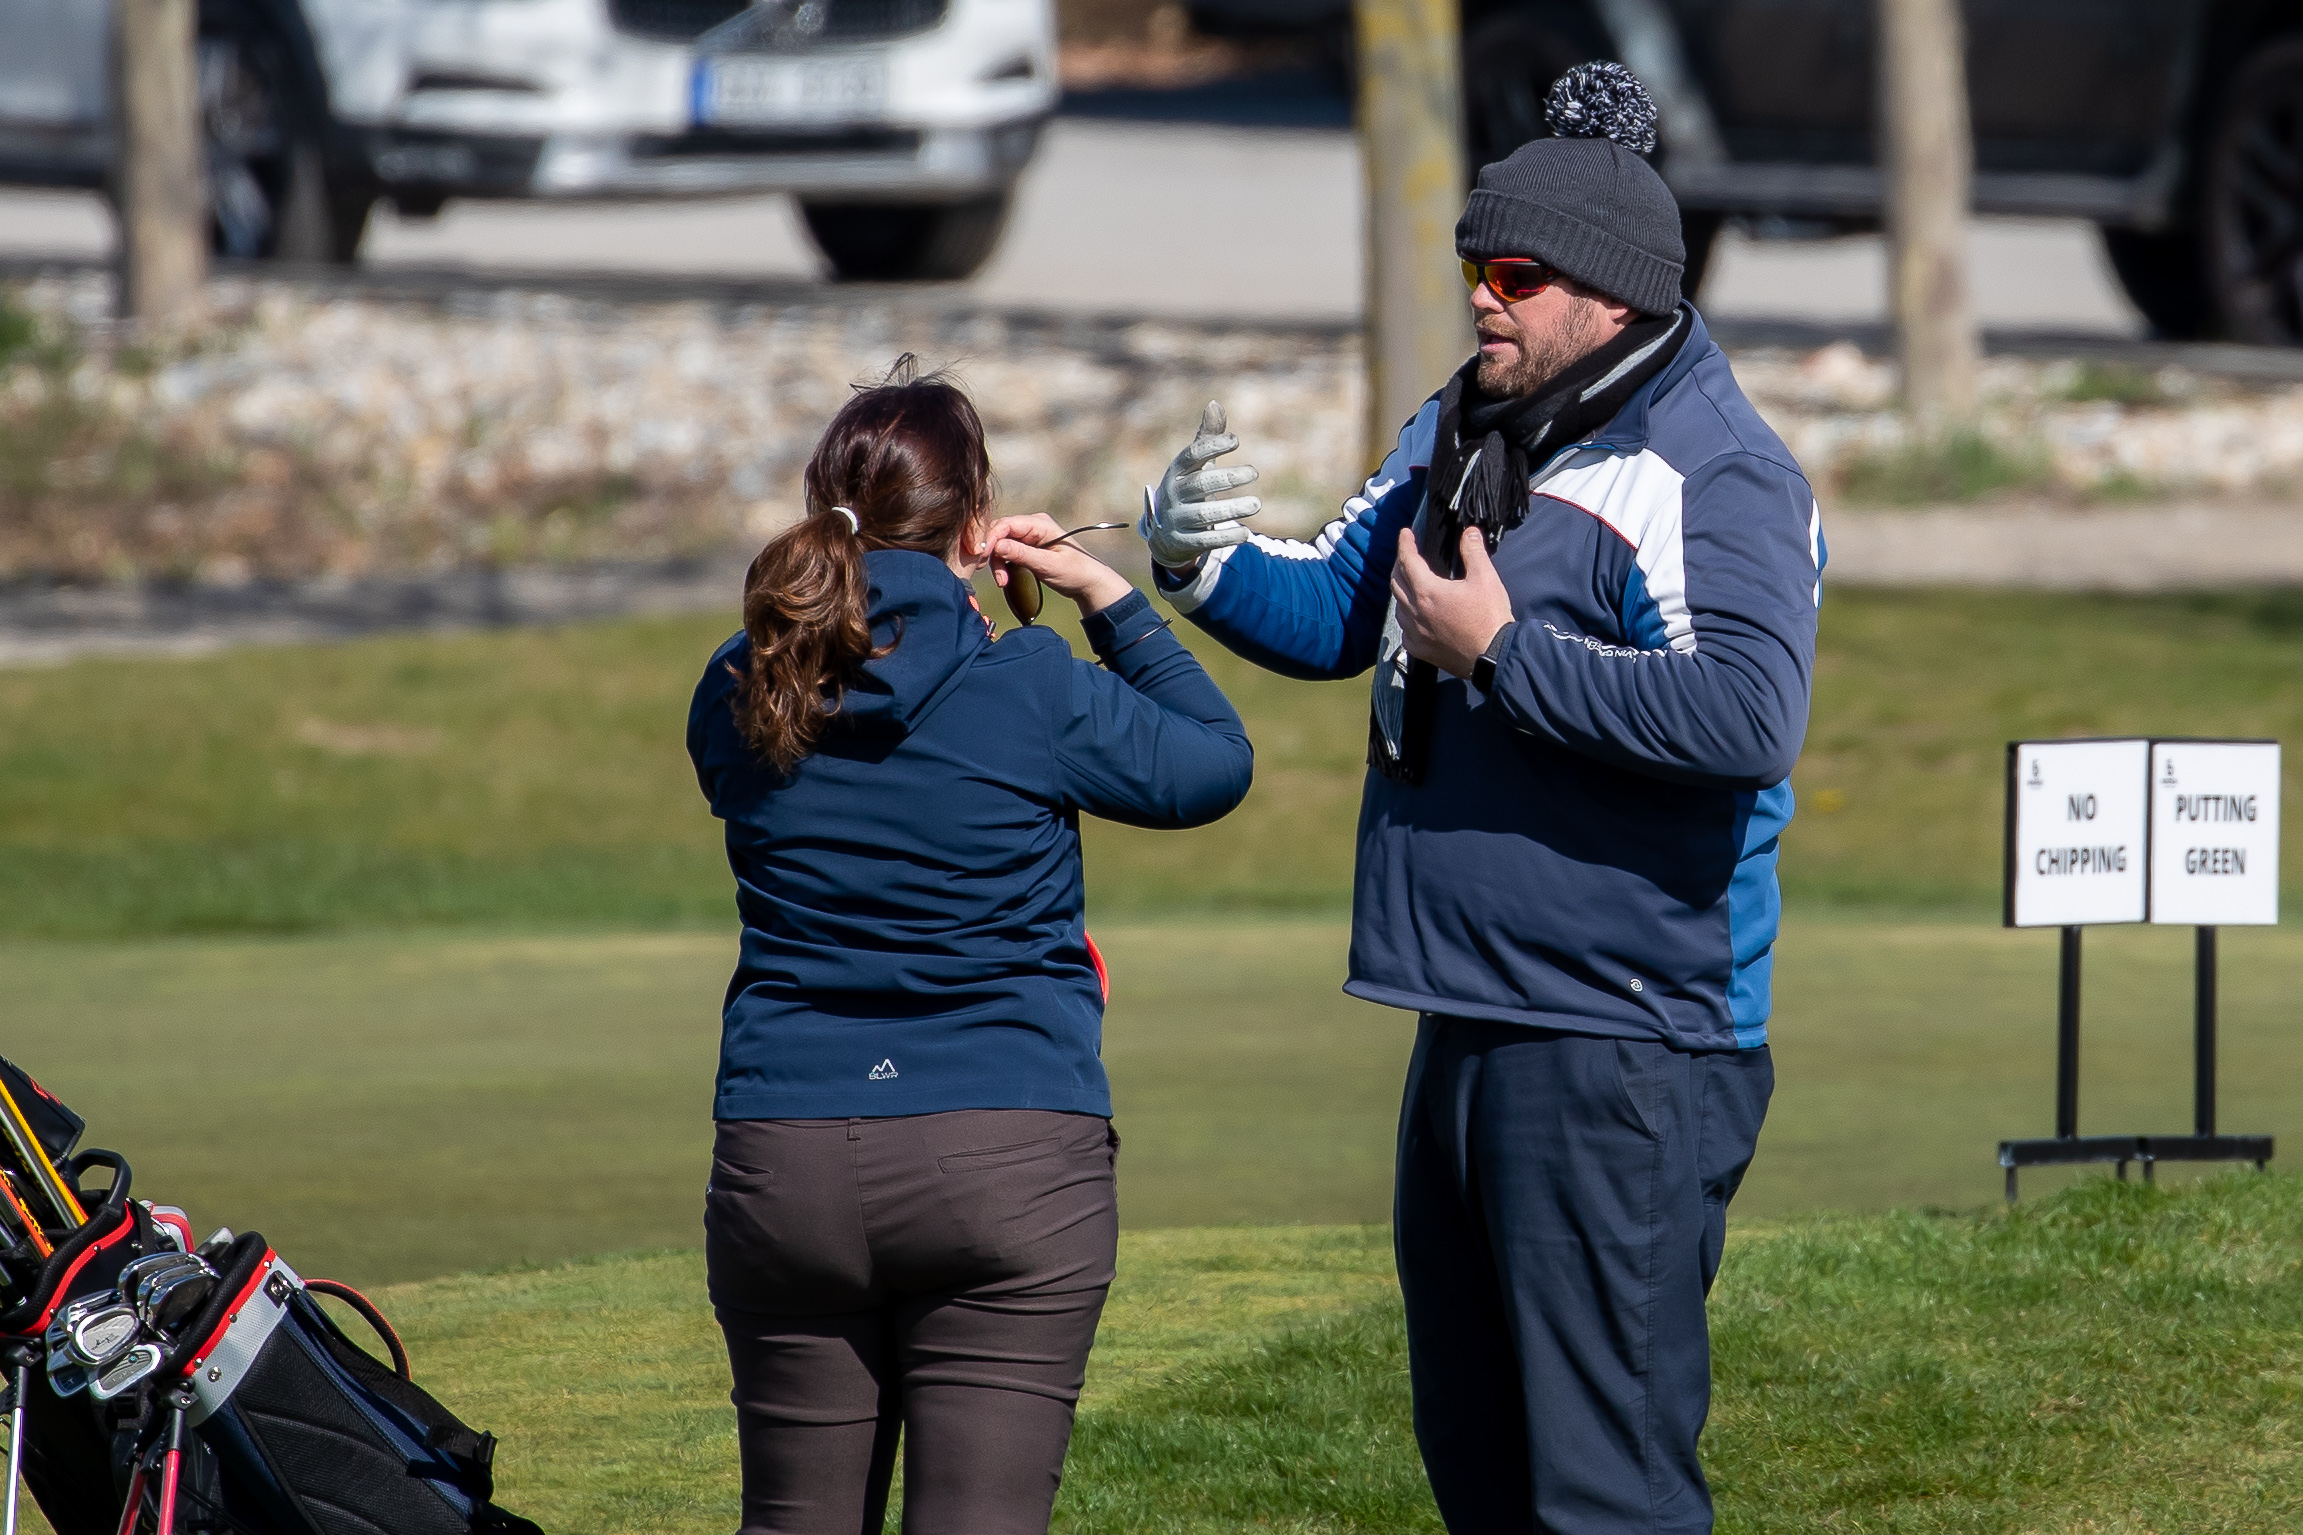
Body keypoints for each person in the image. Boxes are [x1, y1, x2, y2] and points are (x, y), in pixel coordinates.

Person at [1134, 64, 1822, 1535]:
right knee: (1478, 1466)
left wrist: (1505, 654)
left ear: (1613, 295)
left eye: (1515, 274)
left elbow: (1749, 715)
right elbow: (1332, 603)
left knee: (1604, 1491)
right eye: (1470, 268)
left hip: (1621, 1037)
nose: (1481, 300)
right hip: (1463, 1013)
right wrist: (1194, 566)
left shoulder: (1714, 470)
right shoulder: (1464, 421)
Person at [687, 359, 1252, 1535]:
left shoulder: (742, 684)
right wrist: (1104, 593)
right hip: (1006, 1155)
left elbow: (836, 683)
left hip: (783, 1156)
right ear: (974, 521)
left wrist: (927, 608)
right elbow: (1213, 759)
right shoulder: (1032, 682)